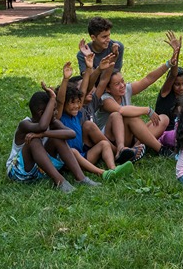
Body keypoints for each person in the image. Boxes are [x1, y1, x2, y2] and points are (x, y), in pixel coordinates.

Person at [94, 37, 181, 158]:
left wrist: (169, 64)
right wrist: (147, 110)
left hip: (129, 136)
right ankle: (161, 150)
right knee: (125, 116)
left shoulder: (126, 90)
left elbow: (148, 79)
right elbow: (121, 110)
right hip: (111, 140)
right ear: (108, 88)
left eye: (122, 81)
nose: (122, 85)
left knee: (163, 119)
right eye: (117, 84)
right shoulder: (105, 99)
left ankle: (136, 148)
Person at [6, 82, 96, 193]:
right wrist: (53, 98)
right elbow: (41, 126)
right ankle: (60, 182)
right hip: (19, 172)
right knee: (33, 140)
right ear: (41, 113)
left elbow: (71, 133)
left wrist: (44, 134)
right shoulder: (24, 124)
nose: (57, 112)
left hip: (41, 171)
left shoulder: (52, 122)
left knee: (57, 137)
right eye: (53, 110)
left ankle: (81, 178)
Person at [57, 51, 134, 180]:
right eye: (72, 103)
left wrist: (90, 68)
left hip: (83, 155)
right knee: (74, 151)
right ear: (65, 104)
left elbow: (84, 90)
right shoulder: (60, 116)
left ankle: (113, 169)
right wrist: (65, 79)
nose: (76, 106)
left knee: (104, 144)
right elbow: (60, 100)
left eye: (78, 102)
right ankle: (102, 173)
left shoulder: (78, 110)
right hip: (68, 160)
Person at [77, 16, 124, 88]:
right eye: (104, 37)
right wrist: (89, 59)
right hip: (93, 89)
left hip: (110, 86)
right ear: (93, 37)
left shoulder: (116, 48)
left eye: (109, 35)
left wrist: (115, 57)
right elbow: (89, 82)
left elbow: (114, 77)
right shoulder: (82, 54)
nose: (108, 40)